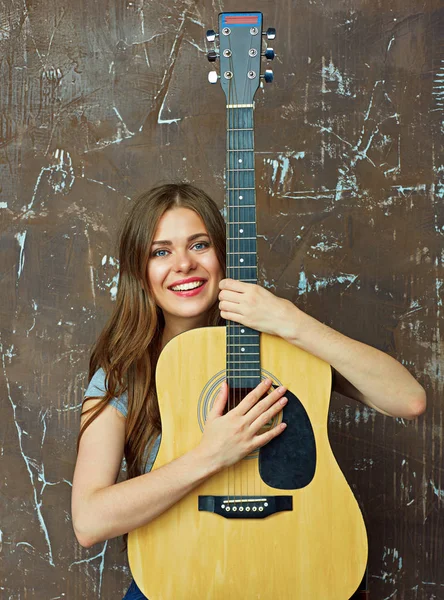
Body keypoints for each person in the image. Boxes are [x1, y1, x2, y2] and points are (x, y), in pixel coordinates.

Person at [71, 183, 426, 599]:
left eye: (199, 245)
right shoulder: (122, 374)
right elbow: (89, 522)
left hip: (302, 566)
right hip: (180, 575)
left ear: (223, 256)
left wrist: (291, 322)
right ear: (139, 269)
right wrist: (211, 455)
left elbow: (408, 399)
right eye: (161, 251)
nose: (183, 264)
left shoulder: (283, 350)